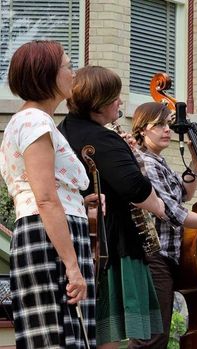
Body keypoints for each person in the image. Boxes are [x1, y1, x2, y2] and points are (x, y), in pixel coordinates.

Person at [57, 66, 166, 349]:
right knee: (110, 333)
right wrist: (161, 207)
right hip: (110, 246)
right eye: (115, 97)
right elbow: (135, 188)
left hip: (76, 239)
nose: (120, 102)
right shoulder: (102, 138)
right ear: (100, 103)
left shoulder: (62, 131)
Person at [0, 40, 96, 348]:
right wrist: (72, 267)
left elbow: (46, 191)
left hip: (49, 234)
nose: (73, 75)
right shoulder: (35, 121)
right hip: (50, 239)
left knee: (61, 334)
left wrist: (81, 202)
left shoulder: (32, 121)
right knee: (59, 337)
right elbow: (44, 198)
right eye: (68, 67)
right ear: (47, 75)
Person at [129, 102, 197, 348]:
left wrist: (195, 161)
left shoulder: (158, 161)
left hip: (164, 258)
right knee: (151, 337)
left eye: (167, 125)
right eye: (158, 125)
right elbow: (175, 213)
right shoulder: (146, 164)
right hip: (153, 257)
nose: (166, 130)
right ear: (141, 130)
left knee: (153, 336)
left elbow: (184, 194)